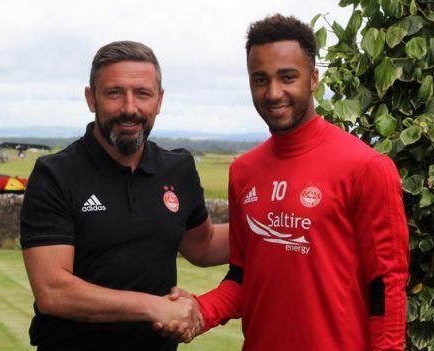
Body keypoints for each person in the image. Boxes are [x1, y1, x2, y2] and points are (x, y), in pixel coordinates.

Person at [157, 14, 409, 350]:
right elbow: (244, 276)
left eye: (287, 77)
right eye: (260, 80)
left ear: (314, 78)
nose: (273, 93)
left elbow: (386, 287)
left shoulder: (366, 167)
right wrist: (201, 311)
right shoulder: (244, 171)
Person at [19, 40, 229, 351]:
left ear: (159, 101)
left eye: (142, 94)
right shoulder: (55, 175)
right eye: (114, 93)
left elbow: (202, 245)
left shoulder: (178, 169)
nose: (129, 108)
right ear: (92, 99)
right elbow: (53, 290)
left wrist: (286, 226)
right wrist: (154, 306)